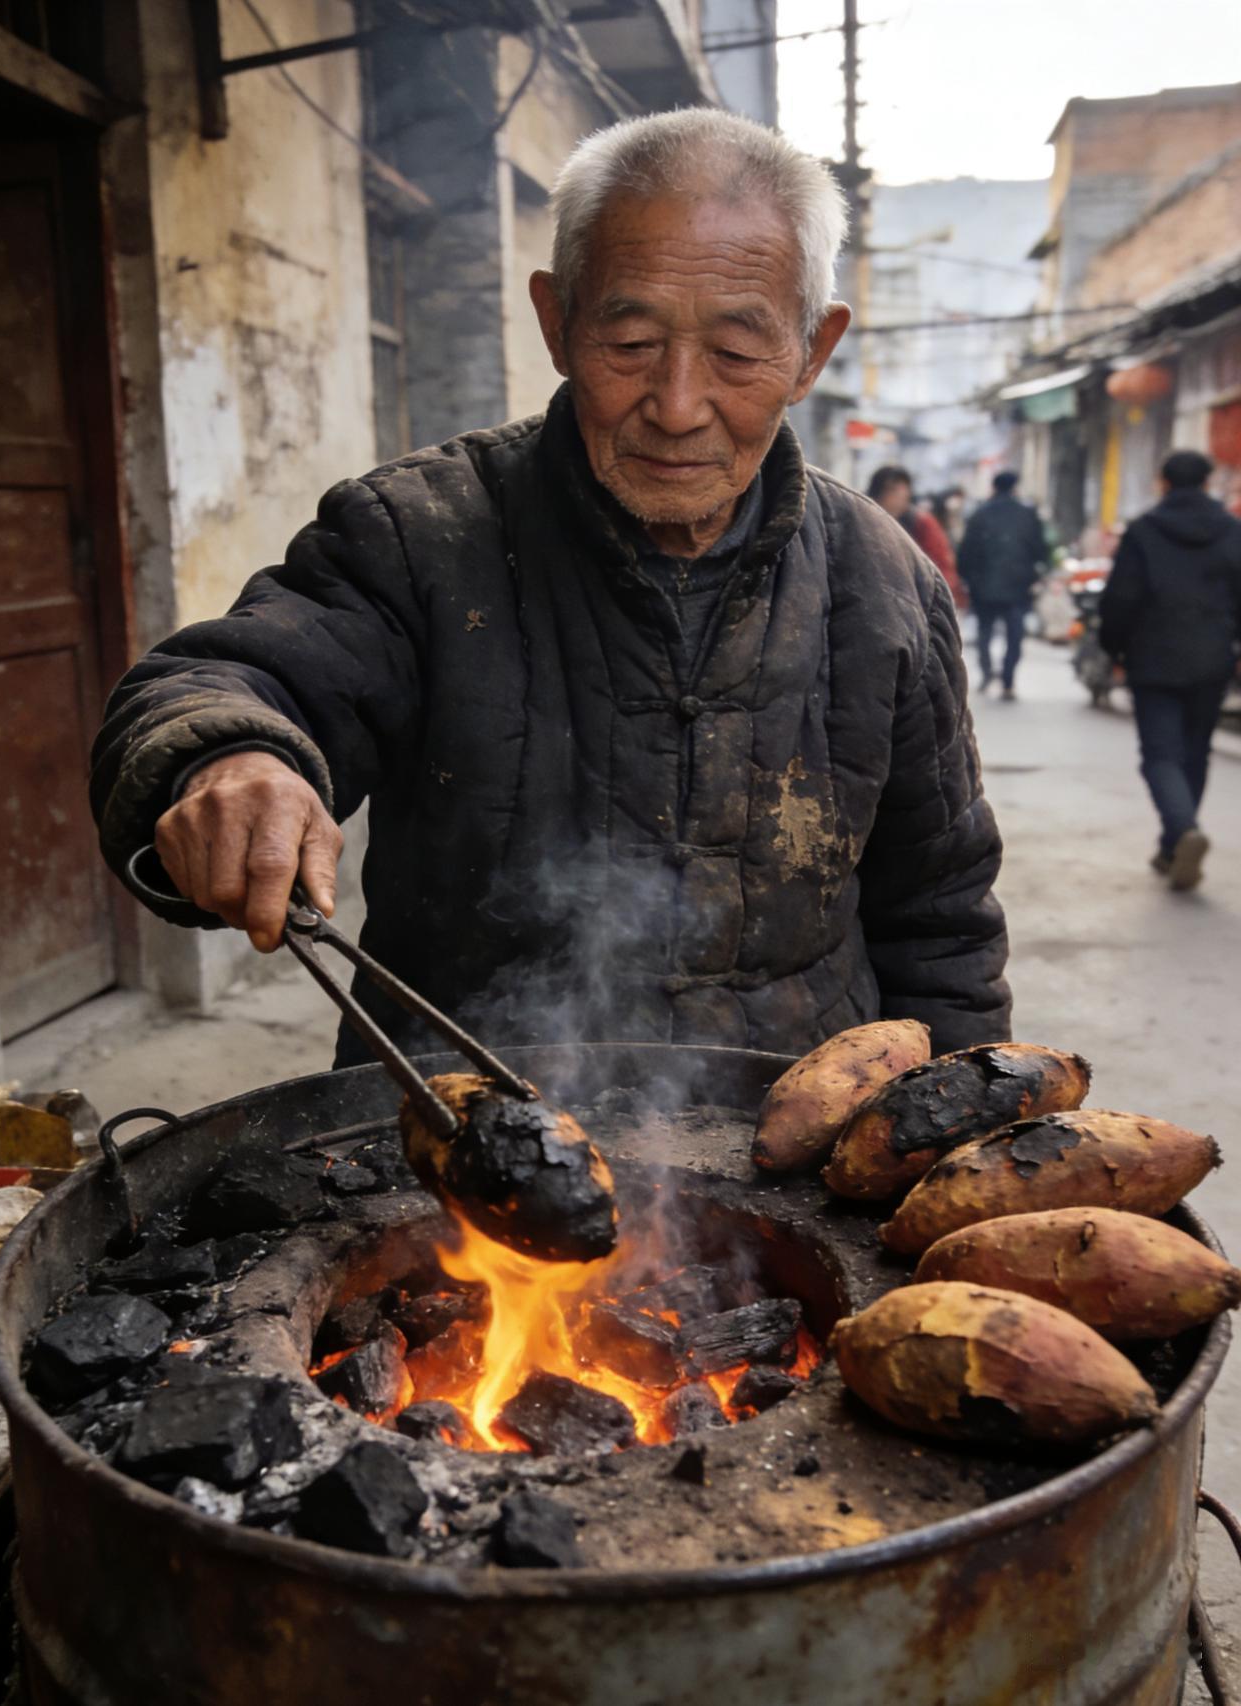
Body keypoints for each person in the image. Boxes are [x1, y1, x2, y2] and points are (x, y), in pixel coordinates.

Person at [91, 109, 1010, 1063]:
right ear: (556, 322)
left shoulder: (884, 578)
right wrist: (232, 761)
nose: (679, 404)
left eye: (738, 353)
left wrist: (957, 1127)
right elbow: (219, 682)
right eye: (630, 342)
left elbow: (941, 918)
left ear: (812, 353)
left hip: (785, 1141)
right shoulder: (417, 535)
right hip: (461, 1132)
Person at [1099, 449, 1241, 891]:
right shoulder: (1232, 531)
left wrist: (1113, 647)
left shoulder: (1144, 531)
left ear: (1163, 482)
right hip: (1212, 658)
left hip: (1153, 657)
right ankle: (1172, 845)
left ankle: (1182, 832)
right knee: (1195, 751)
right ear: (1207, 482)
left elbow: (1122, 597)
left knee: (1161, 755)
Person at [957, 470, 1049, 700]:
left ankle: (987, 672)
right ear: (1015, 487)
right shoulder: (1028, 515)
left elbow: (966, 551)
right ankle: (1008, 680)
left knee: (985, 630)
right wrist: (1035, 575)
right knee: (1014, 633)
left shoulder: (979, 514)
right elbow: (1040, 550)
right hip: (1018, 586)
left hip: (984, 586)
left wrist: (968, 579)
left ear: (994, 487)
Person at [866, 465, 961, 604]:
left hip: (912, 601)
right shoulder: (863, 519)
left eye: (902, 492)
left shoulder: (921, 523)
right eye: (892, 491)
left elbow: (940, 565)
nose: (897, 498)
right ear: (878, 492)